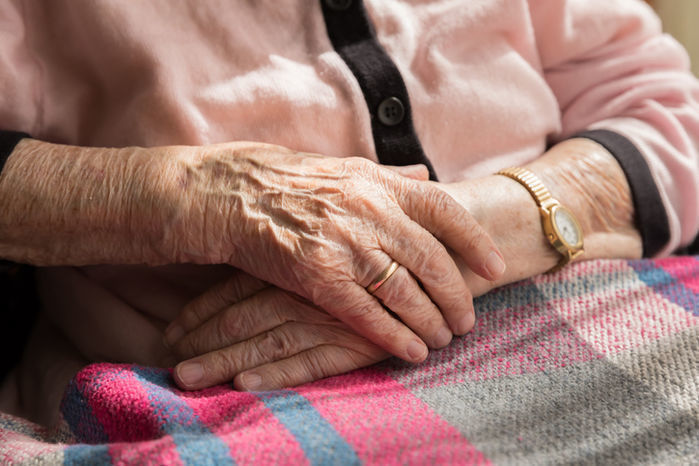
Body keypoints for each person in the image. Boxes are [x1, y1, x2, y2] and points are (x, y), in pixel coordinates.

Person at [0, 0, 697, 422]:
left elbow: (662, 107)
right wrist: (194, 196)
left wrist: (474, 237)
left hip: (595, 322)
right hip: (207, 404)